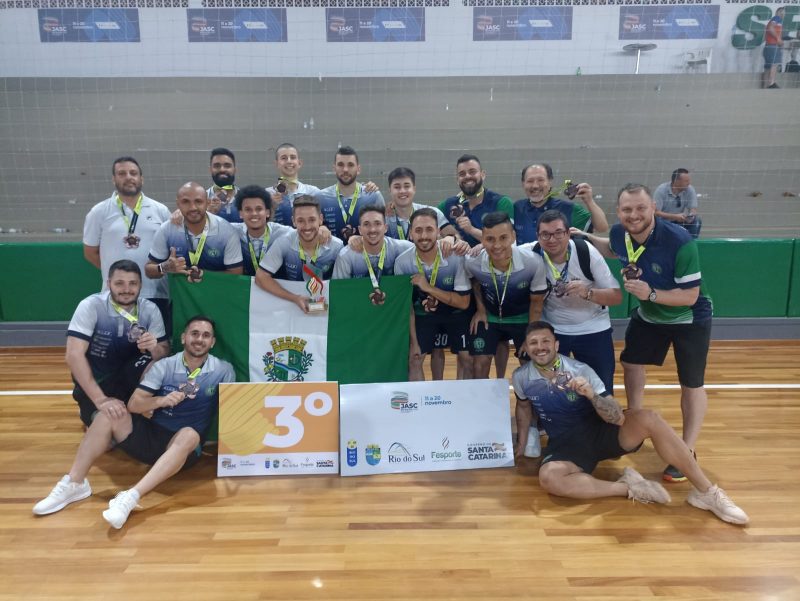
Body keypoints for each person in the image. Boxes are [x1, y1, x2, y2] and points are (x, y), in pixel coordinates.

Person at [511, 321, 749, 525]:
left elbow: (617, 417)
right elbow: (523, 408)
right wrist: (521, 445)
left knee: (649, 418)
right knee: (549, 478)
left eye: (546, 341)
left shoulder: (580, 369)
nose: (540, 347)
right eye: (533, 342)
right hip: (565, 444)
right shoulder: (522, 378)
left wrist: (591, 396)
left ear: (556, 345)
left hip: (600, 431)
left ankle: (707, 493)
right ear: (526, 347)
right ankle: (630, 487)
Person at [33, 316, 235, 529]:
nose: (199, 339)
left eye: (206, 335)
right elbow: (134, 404)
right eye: (194, 334)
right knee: (110, 412)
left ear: (212, 342)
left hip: (183, 449)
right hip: (151, 436)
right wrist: (160, 401)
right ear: (184, 338)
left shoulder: (223, 370)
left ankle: (130, 497)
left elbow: (230, 410)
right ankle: (75, 482)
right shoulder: (164, 366)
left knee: (190, 434)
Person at [586, 183, 713, 483]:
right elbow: (611, 249)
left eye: (641, 208)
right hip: (649, 315)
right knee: (631, 363)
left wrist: (651, 293)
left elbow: (690, 296)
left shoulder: (680, 241)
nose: (634, 215)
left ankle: (687, 449)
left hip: (688, 318)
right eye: (627, 209)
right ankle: (637, 421)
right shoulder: (619, 233)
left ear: (654, 207)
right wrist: (583, 237)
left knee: (691, 383)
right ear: (619, 212)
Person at [66, 260, 170, 427]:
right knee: (108, 439)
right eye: (119, 283)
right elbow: (73, 355)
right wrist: (101, 400)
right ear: (108, 284)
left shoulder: (150, 310)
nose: (127, 290)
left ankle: (139, 405)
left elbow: (163, 352)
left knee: (158, 363)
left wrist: (154, 347)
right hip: (99, 380)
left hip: (130, 377)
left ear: (141, 285)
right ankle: (90, 409)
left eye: (133, 283)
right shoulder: (91, 306)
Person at [82, 157, 172, 328]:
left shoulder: (160, 210)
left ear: (141, 178)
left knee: (158, 347)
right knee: (117, 348)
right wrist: (120, 277)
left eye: (133, 173)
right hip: (115, 294)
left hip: (155, 292)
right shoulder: (99, 212)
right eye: (122, 173)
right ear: (114, 179)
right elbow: (90, 253)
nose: (128, 177)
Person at [464, 212, 547, 379]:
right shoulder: (472, 263)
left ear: (513, 236)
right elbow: (475, 282)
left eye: (503, 238)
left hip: (523, 318)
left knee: (529, 363)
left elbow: (537, 303)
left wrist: (531, 335)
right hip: (492, 318)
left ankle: (530, 404)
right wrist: (480, 309)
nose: (497, 245)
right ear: (482, 239)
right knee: (479, 364)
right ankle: (484, 403)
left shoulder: (532, 263)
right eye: (490, 239)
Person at [394, 208, 472, 380]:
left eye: (429, 229)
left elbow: (464, 303)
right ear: (410, 233)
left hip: (456, 314)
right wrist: (414, 343)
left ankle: (463, 403)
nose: (424, 236)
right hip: (425, 316)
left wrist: (428, 287)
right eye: (418, 230)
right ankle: (420, 404)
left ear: (438, 232)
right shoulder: (402, 263)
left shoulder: (455, 256)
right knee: (414, 359)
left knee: (468, 358)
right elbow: (407, 308)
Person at [256, 196, 344, 312]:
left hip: (326, 307)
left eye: (312, 220)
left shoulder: (336, 246)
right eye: (301, 221)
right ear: (293, 221)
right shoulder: (284, 243)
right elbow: (261, 277)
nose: (307, 227)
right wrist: (294, 298)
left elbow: (342, 288)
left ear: (320, 219)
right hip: (293, 306)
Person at [145, 182, 243, 283]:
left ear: (208, 203)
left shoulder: (226, 231)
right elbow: (148, 271)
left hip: (217, 296)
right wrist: (164, 267)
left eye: (198, 201)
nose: (193, 207)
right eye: (186, 202)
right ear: (178, 204)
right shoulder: (167, 230)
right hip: (180, 297)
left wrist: (204, 275)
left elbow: (236, 273)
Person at [513, 163, 608, 245]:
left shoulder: (568, 209)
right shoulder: (516, 209)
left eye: (540, 180)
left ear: (550, 182)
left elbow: (602, 228)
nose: (535, 185)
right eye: (530, 181)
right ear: (523, 184)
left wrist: (589, 201)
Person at [438, 154, 514, 248]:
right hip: (457, 262)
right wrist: (450, 237)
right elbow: (431, 232)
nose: (467, 176)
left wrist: (471, 230)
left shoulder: (502, 203)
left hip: (491, 260)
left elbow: (508, 240)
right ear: (457, 180)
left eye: (472, 172)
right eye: (462, 174)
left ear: (483, 175)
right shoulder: (446, 206)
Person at [316, 146, 385, 242]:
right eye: (340, 165)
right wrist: (320, 228)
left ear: (358, 169)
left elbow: (383, 231)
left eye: (350, 165)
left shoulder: (373, 196)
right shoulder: (321, 197)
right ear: (334, 168)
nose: (345, 169)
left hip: (363, 255)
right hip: (332, 256)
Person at [232, 185, 293, 277]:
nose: (254, 214)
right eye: (248, 210)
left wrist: (322, 229)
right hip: (245, 289)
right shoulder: (231, 231)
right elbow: (209, 226)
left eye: (259, 209)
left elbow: (304, 233)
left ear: (268, 212)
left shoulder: (284, 233)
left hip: (275, 288)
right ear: (241, 214)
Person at [385, 167, 449, 241]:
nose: (402, 191)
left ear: (414, 189)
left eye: (407, 186)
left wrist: (451, 238)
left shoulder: (433, 213)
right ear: (390, 190)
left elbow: (454, 236)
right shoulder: (383, 218)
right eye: (397, 187)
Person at [267, 143, 322, 227]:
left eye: (292, 157)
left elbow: (322, 223)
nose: (289, 161)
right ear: (276, 164)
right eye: (284, 158)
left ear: (299, 163)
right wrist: (271, 208)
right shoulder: (267, 195)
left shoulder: (314, 193)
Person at [653, 169, 701, 238]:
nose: (689, 183)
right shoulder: (661, 190)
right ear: (676, 181)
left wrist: (691, 216)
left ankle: (691, 243)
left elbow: (693, 208)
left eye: (689, 180)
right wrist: (675, 216)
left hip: (680, 220)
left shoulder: (689, 189)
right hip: (664, 222)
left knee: (696, 221)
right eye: (686, 181)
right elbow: (656, 212)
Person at [207, 147, 241, 222]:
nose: (222, 169)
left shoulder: (246, 199)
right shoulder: (201, 200)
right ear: (210, 170)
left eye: (227, 166)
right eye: (217, 166)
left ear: (235, 170)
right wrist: (207, 215)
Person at [763, 7, 785, 89]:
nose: (784, 14)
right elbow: (771, 28)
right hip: (773, 46)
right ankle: (771, 83)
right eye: (783, 12)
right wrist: (778, 39)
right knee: (774, 64)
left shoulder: (774, 20)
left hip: (767, 46)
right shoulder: (777, 18)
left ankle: (765, 86)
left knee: (767, 66)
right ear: (779, 12)